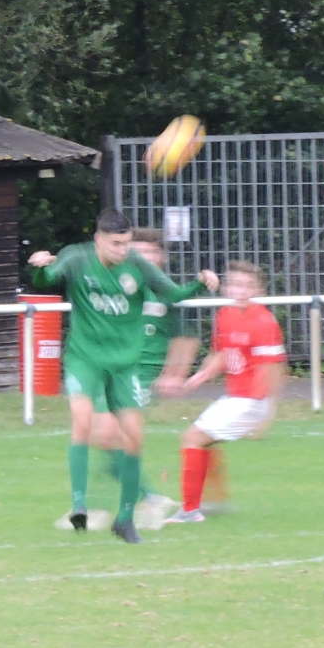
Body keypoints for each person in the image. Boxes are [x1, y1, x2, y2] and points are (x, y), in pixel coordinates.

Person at [28, 212, 217, 543]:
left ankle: (126, 514)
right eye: (116, 244)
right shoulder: (78, 259)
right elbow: (47, 282)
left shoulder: (140, 270)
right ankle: (85, 506)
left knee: (127, 438)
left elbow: (177, 303)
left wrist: (201, 284)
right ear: (98, 239)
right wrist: (39, 268)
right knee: (92, 429)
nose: (123, 251)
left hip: (128, 369)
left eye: (127, 244)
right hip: (89, 362)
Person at [164, 261, 286, 524]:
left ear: (259, 291)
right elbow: (221, 354)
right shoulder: (225, 314)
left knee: (192, 438)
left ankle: (190, 511)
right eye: (235, 284)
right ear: (226, 287)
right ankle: (212, 501)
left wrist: (266, 416)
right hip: (235, 397)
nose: (240, 290)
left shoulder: (263, 321)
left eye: (247, 286)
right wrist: (200, 376)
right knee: (203, 440)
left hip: (251, 400)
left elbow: (272, 369)